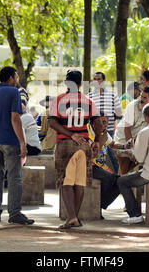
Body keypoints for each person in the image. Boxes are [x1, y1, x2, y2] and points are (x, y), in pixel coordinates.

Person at [49, 69, 105, 229]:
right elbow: (98, 125)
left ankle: (72, 217)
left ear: (66, 83)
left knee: (66, 183)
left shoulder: (59, 100)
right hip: (84, 146)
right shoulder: (88, 101)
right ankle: (75, 217)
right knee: (79, 183)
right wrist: (97, 142)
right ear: (80, 84)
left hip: (65, 145)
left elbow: (53, 123)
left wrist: (70, 134)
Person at [0, 66, 34, 225]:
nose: (17, 80)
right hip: (10, 140)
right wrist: (22, 142)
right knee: (14, 177)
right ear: (11, 78)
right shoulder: (14, 92)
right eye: (16, 77)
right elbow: (15, 119)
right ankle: (14, 213)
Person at [114, 87, 149, 175]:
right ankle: (118, 185)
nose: (141, 99)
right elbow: (127, 129)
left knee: (136, 166)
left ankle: (122, 184)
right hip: (122, 138)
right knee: (124, 168)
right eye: (141, 96)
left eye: (145, 98)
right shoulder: (132, 106)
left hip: (137, 140)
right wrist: (131, 148)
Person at [87, 111, 120, 217]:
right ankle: (97, 207)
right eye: (103, 122)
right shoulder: (86, 132)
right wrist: (101, 142)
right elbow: (89, 156)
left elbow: (112, 144)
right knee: (109, 178)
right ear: (94, 123)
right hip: (88, 166)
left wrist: (125, 146)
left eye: (107, 123)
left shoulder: (103, 132)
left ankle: (100, 205)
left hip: (100, 166)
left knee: (120, 181)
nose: (105, 126)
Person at [88, 72, 122, 138]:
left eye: (98, 79)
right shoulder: (89, 97)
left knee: (111, 147)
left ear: (104, 81)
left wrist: (108, 119)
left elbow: (118, 114)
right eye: (94, 79)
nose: (96, 81)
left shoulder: (113, 96)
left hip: (110, 131)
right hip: (94, 132)